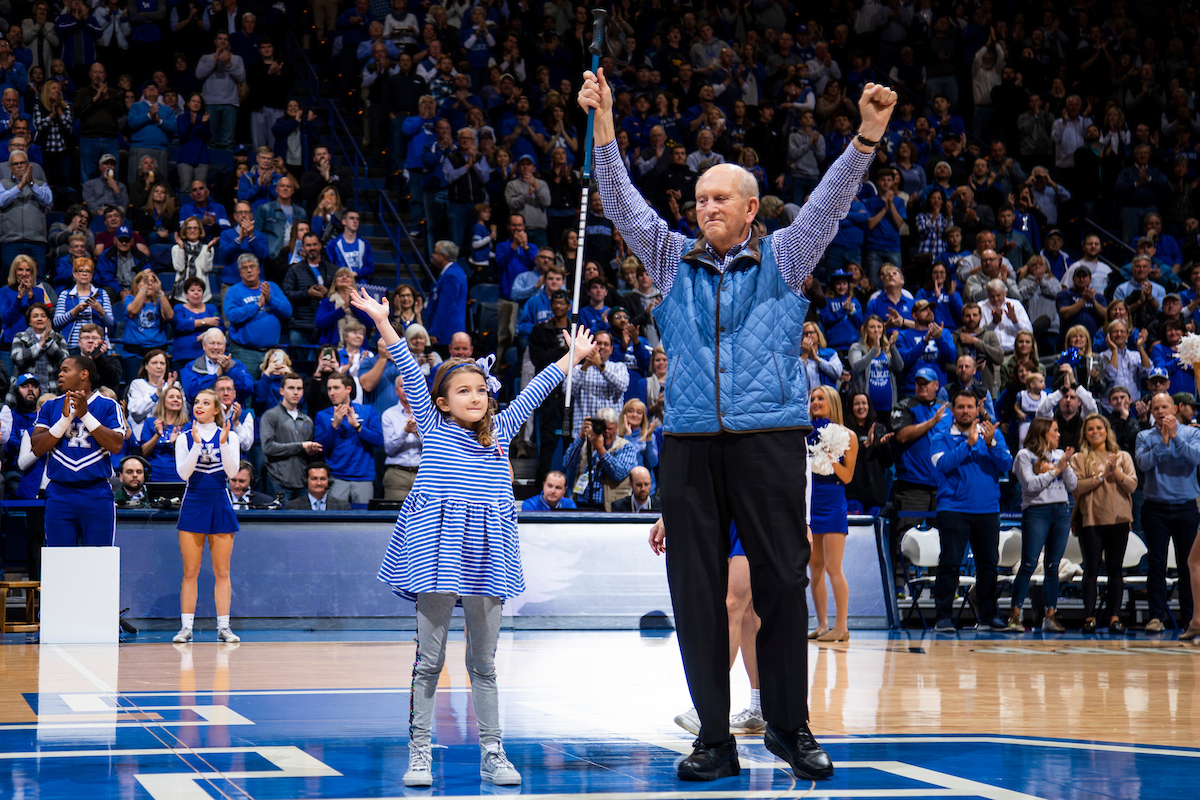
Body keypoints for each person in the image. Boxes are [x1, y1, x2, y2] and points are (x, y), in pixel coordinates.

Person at [578, 69, 895, 782]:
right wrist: (603, 121)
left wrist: (867, 136)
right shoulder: (670, 261)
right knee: (695, 593)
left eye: (720, 198)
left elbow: (829, 204)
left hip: (768, 439)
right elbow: (622, 204)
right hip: (688, 444)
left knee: (783, 582)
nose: (706, 207)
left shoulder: (785, 258)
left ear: (751, 208)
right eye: (698, 199)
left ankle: (788, 726)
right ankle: (714, 739)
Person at [348, 286, 596, 789]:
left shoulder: (502, 428)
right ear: (440, 401)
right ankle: (420, 753)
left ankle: (493, 750)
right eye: (463, 391)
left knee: (483, 662)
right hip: (438, 552)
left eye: (480, 390)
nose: (475, 397)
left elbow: (540, 387)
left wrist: (573, 356)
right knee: (429, 661)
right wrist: (381, 320)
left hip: (486, 552)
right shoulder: (436, 427)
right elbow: (404, 360)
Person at [929, 389, 1014, 633]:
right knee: (950, 564)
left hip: (987, 509)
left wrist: (991, 443)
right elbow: (942, 464)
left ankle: (988, 616)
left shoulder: (992, 434)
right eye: (960, 407)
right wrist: (968, 445)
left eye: (969, 407)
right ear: (953, 410)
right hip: (953, 509)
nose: (965, 411)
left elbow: (1007, 464)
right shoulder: (941, 436)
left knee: (988, 565)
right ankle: (943, 617)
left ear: (977, 409)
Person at [31, 355, 126, 546]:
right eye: (60, 370)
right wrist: (64, 420)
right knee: (60, 560)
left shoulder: (108, 405)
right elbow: (37, 447)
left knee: (99, 560)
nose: (60, 374)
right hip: (59, 493)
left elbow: (116, 445)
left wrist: (85, 416)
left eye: (66, 370)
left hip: (96, 492)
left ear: (84, 374)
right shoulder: (50, 406)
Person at [172, 387, 241, 644]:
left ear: (216, 409)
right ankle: (186, 628)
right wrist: (196, 446)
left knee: (222, 571)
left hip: (220, 502)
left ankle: (224, 627)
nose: (198, 406)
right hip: (193, 502)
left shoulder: (229, 436)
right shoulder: (184, 437)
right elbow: (183, 474)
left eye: (205, 402)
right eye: (196, 402)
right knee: (190, 571)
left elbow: (232, 472)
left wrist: (222, 444)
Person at [1134, 392, 1200, 633]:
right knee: (1156, 564)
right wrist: (1163, 442)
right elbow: (1143, 464)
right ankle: (1156, 617)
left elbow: (1196, 457)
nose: (1161, 411)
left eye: (1165, 407)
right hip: (1155, 508)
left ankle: (1190, 619)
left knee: (1188, 565)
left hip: (1185, 507)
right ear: (1151, 412)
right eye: (1156, 408)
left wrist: (1175, 438)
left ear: (1175, 409)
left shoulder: (1192, 433)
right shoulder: (1144, 436)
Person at [1008, 417, 1077, 632]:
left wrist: (1065, 466)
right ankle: (1015, 616)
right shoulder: (1024, 456)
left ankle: (1050, 617)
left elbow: (1073, 484)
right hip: (1037, 511)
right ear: (1042, 433)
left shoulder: (1058, 455)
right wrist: (1056, 470)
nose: (1059, 435)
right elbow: (1029, 486)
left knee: (1053, 566)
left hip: (1061, 511)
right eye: (1055, 431)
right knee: (1028, 564)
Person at [1070, 414, 1136, 634]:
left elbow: (1132, 486)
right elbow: (1077, 488)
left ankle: (1114, 618)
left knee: (1115, 570)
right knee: (1091, 569)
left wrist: (1114, 471)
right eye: (1090, 429)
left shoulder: (1122, 456)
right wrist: (1101, 476)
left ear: (1107, 431)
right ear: (1085, 434)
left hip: (1119, 520)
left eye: (1099, 428)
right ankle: (1090, 618)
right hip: (1091, 520)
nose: (1095, 431)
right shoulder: (1079, 458)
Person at [805, 384, 858, 642]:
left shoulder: (848, 435)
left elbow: (848, 477)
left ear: (833, 402)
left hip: (833, 504)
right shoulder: (803, 435)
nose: (815, 402)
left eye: (820, 398)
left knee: (833, 567)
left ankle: (842, 627)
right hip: (809, 505)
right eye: (812, 398)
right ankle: (822, 624)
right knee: (814, 567)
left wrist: (830, 458)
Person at [313, 373, 383, 504]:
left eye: (336, 388)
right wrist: (335, 425)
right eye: (329, 389)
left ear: (348, 389)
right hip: (336, 478)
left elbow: (378, 441)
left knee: (364, 522)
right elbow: (320, 448)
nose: (332, 393)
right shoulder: (322, 415)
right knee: (334, 522)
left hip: (363, 478)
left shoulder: (367, 411)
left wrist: (358, 427)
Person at [222, 253, 291, 378]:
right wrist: (257, 305)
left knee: (272, 392)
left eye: (252, 266)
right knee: (245, 391)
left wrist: (270, 299)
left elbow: (287, 311)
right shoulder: (234, 291)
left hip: (271, 353)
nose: (249, 270)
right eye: (245, 268)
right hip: (245, 353)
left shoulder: (271, 287)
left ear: (258, 269)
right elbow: (232, 315)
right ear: (240, 272)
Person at [260, 372, 320, 499]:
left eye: (299, 389)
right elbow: (268, 447)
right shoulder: (270, 416)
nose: (295, 392)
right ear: (281, 391)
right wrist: (301, 446)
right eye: (291, 388)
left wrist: (310, 452)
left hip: (302, 483)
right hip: (278, 482)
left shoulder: (307, 420)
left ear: (303, 392)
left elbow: (307, 453)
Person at [0, 148, 53, 271]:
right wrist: (19, 186)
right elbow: (1, 201)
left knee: (38, 279)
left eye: (22, 163)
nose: (19, 166)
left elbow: (48, 200)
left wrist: (31, 184)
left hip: (36, 240)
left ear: (28, 165)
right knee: (10, 278)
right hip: (10, 241)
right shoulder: (3, 184)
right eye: (15, 164)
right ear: (10, 167)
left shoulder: (40, 184)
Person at [380, 375, 421, 502]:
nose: (406, 390)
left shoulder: (425, 415)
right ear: (396, 390)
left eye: (410, 386)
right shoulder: (389, 414)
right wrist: (405, 431)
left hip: (422, 474)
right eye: (403, 386)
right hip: (397, 475)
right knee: (393, 517)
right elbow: (389, 449)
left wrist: (417, 433)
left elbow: (434, 449)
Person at [284, 461, 351, 510]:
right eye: (314, 479)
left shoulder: (342, 506)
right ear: (306, 481)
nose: (319, 483)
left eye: (323, 479)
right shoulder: (292, 506)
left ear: (329, 480)